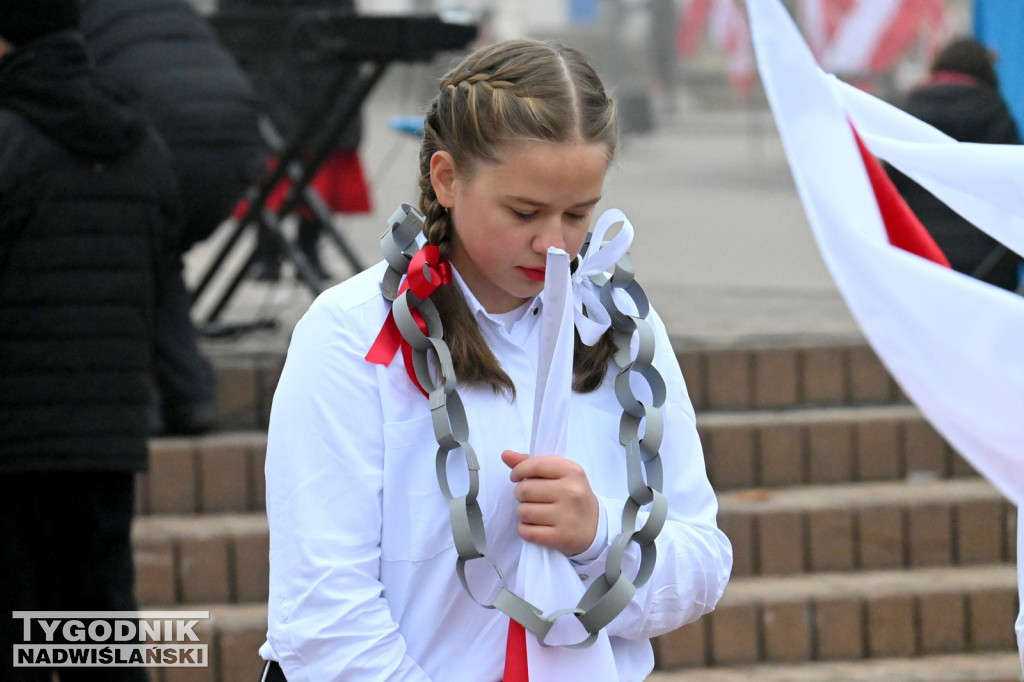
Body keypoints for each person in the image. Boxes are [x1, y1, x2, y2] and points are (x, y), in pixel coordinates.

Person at [259, 39, 732, 681]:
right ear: (446, 178)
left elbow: (700, 564)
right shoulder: (348, 336)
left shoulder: (622, 328)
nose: (553, 242)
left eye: (579, 214)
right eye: (524, 211)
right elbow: (324, 616)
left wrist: (596, 540)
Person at [0, 1, 179, 679]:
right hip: (106, 437)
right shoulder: (142, 143)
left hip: (13, 445)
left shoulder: (9, 140)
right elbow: (167, 288)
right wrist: (184, 397)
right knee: (100, 633)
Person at [78, 0, 269, 434]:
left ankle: (141, 403)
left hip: (159, 136)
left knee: (122, 261)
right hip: (236, 144)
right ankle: (190, 399)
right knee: (158, 257)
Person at [234, 0, 373, 282]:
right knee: (272, 170)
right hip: (270, 66)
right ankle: (267, 252)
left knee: (317, 168)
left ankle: (303, 250)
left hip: (322, 67)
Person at [887, 37, 1023, 292]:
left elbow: (889, 185)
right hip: (989, 257)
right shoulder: (994, 111)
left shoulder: (909, 109)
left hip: (925, 250)